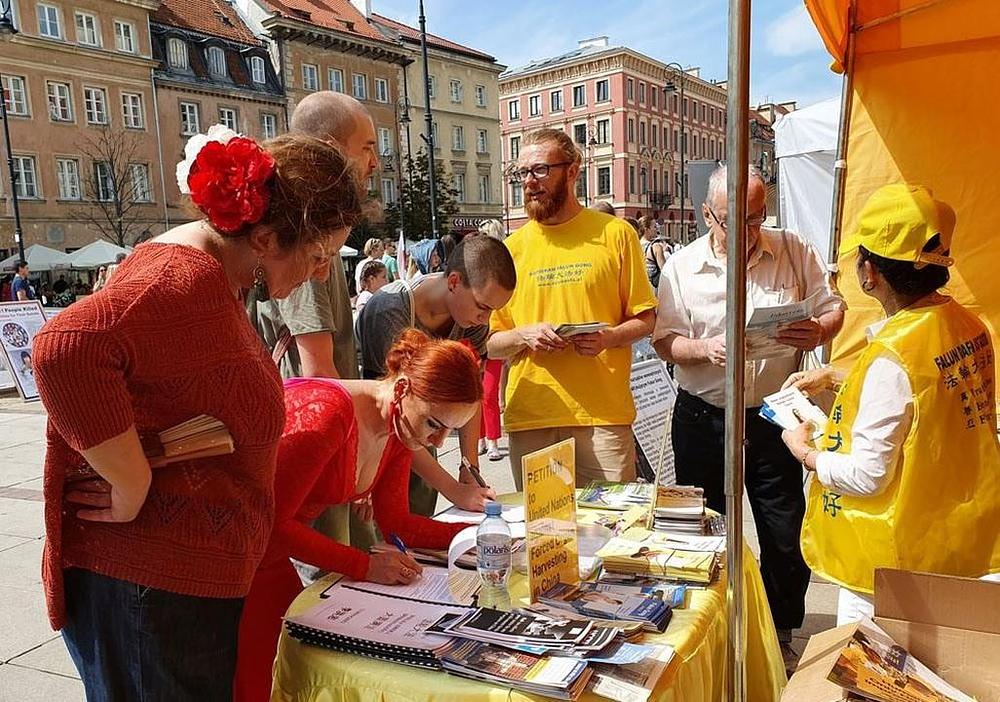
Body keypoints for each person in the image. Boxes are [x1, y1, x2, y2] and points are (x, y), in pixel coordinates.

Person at [31, 131, 367, 701]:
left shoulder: (211, 280)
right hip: (149, 593)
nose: (319, 274)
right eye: (319, 257)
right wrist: (129, 481)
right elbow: (65, 347)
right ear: (265, 239)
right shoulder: (177, 277)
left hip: (169, 594)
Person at [780, 184, 1000, 623]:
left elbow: (868, 476)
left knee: (874, 663)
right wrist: (834, 374)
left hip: (892, 559)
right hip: (956, 534)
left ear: (869, 273)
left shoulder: (892, 357)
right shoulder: (968, 324)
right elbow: (923, 391)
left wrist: (805, 452)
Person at [652, 164, 845, 664]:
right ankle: (711, 628)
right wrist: (704, 349)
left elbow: (834, 306)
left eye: (756, 218)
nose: (747, 232)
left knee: (783, 530)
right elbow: (664, 341)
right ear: (706, 214)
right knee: (704, 528)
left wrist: (819, 330)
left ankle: (780, 632)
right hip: (703, 416)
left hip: (773, 416)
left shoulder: (793, 250)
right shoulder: (682, 267)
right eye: (732, 221)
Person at [233, 330, 489, 700]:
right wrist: (364, 565)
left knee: (294, 671)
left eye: (451, 429)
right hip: (236, 558)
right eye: (435, 424)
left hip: (268, 556)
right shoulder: (330, 413)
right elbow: (272, 524)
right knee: (267, 677)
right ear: (403, 389)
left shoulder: (400, 427)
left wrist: (480, 536)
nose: (438, 442)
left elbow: (398, 524)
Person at [488, 128, 657, 488]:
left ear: (573, 171)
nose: (529, 182)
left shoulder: (615, 234)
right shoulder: (510, 249)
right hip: (533, 416)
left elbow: (646, 319)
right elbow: (490, 342)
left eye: (540, 170)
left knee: (614, 522)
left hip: (602, 417)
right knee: (545, 524)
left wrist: (607, 338)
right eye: (522, 173)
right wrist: (523, 335)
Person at [357, 235, 516, 515]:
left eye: (493, 310)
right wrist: (454, 490)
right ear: (454, 282)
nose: (486, 320)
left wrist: (469, 468)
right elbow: (399, 416)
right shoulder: (391, 309)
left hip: (420, 438)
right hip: (374, 447)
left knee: (421, 523)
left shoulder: (471, 320)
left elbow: (470, 396)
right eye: (483, 307)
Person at [250, 91, 378, 381]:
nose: (374, 163)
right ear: (330, 151)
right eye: (366, 148)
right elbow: (318, 372)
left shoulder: (315, 226)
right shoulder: (304, 233)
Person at [478, 220, 507, 462]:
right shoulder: (475, 267)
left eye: (485, 235)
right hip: (475, 334)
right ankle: (480, 437)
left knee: (489, 392)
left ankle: (493, 440)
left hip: (495, 335)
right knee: (475, 393)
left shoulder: (504, 269)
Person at [639, 214, 670, 290]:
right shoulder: (656, 247)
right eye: (654, 227)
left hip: (640, 287)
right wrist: (666, 253)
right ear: (647, 229)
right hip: (653, 289)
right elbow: (665, 271)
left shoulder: (635, 245)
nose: (657, 229)